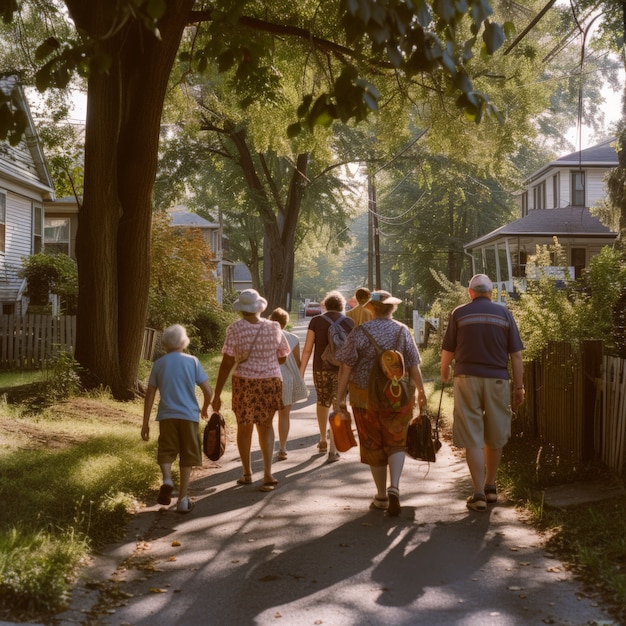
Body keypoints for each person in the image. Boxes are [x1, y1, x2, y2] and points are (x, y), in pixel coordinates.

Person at [335, 290, 427, 516]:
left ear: (372, 308)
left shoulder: (359, 332)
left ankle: (381, 496)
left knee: (372, 443)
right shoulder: (402, 331)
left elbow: (346, 366)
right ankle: (394, 486)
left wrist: (339, 398)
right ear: (392, 308)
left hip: (364, 397)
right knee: (396, 440)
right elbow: (414, 365)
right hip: (397, 396)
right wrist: (422, 392)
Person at [440, 274, 525, 512]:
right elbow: (516, 355)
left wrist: (444, 370)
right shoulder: (505, 314)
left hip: (466, 378)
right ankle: (490, 486)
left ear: (470, 293)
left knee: (472, 435)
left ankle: (477, 493)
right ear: (491, 293)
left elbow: (448, 348)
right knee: (495, 433)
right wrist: (519, 387)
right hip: (498, 379)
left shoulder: (459, 313)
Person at [212, 289, 290, 492]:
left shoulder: (234, 329)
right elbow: (283, 356)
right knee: (266, 425)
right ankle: (268, 473)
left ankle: (247, 473)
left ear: (241, 310)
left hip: (245, 382)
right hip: (270, 381)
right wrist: (266, 363)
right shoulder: (274, 327)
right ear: (259, 308)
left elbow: (227, 361)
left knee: (244, 426)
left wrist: (217, 393)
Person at [141, 324, 213, 514]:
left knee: (166, 451)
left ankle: (166, 479)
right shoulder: (193, 361)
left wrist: (145, 422)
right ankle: (182, 500)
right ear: (184, 341)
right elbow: (208, 390)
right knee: (187, 456)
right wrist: (205, 407)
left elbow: (149, 393)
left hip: (166, 415)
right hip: (189, 416)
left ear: (164, 344)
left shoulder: (159, 364)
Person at [300, 290, 355, 462]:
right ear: (342, 305)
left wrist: (301, 372)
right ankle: (333, 449)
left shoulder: (316, 321)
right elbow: (353, 351)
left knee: (322, 402)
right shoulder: (349, 322)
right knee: (338, 404)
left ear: (325, 304)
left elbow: (308, 349)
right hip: (342, 370)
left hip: (320, 369)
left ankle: (323, 439)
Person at [269, 307, 309, 460]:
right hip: (288, 378)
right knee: (284, 415)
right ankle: (282, 448)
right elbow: (298, 362)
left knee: (268, 416)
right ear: (286, 323)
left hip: (269, 376)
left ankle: (267, 447)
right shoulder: (293, 338)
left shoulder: (265, 336)